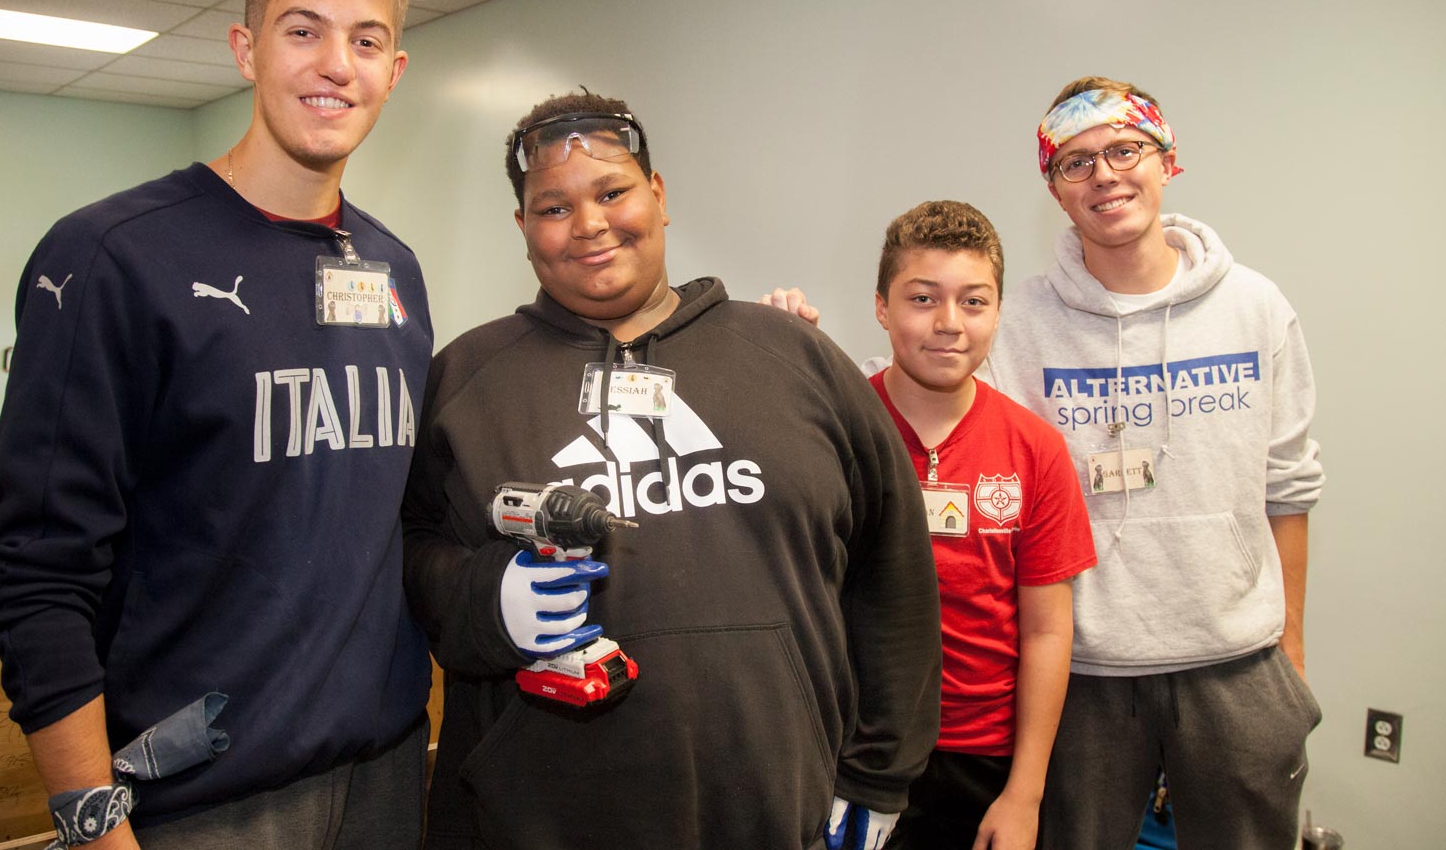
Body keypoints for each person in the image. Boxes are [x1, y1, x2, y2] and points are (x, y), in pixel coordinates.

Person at [0, 0, 432, 849]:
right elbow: (38, 571)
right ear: (246, 48)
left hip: (386, 771)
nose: (334, 64)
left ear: (394, 70)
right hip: (200, 799)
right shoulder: (111, 256)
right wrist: (89, 820)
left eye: (366, 39)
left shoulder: (395, 270)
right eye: (302, 30)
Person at [401, 91, 941, 850]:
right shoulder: (465, 379)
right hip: (534, 823)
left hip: (776, 809)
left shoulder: (795, 358)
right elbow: (407, 559)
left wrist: (882, 769)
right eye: (553, 208)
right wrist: (485, 599)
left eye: (612, 192)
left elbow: (895, 570)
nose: (589, 225)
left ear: (657, 196)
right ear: (523, 229)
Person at [981, 77, 1324, 849]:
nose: (1103, 174)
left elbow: (1290, 484)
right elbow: (921, 392)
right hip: (1084, 673)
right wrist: (795, 337)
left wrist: (1290, 649)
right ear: (1057, 192)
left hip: (1238, 663)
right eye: (1075, 164)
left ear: (1167, 160)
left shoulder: (1255, 307)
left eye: (1124, 150)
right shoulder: (1015, 323)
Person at [868, 200, 1095, 850]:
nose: (948, 324)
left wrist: (1025, 795)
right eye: (922, 298)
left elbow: (1049, 628)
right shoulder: (843, 432)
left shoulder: (1035, 448)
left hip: (985, 763)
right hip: (860, 748)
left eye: (973, 301)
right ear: (882, 307)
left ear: (998, 311)